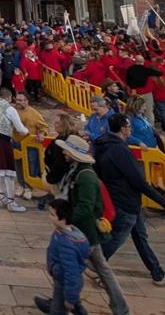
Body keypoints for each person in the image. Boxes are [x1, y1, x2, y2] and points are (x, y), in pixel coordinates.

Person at [92, 114, 165, 287]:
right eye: (129, 127)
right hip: (125, 201)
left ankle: (157, 274)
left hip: (120, 198)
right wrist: (162, 201)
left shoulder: (102, 144)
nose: (130, 130)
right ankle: (93, 264)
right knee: (116, 238)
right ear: (124, 128)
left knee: (140, 237)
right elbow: (137, 180)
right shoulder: (120, 150)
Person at [53, 135, 129, 315]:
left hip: (84, 232)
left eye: (66, 150)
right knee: (98, 269)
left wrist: (66, 220)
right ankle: (119, 307)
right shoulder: (77, 170)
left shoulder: (85, 176)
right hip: (82, 231)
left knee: (68, 267)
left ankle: (63, 306)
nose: (63, 152)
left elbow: (85, 207)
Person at [32, 198, 90, 315]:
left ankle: (64, 304)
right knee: (71, 298)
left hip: (64, 279)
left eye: (52, 215)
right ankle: (75, 306)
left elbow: (71, 271)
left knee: (58, 310)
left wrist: (69, 299)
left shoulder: (66, 243)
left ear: (62, 218)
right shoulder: (68, 232)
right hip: (63, 277)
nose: (50, 217)